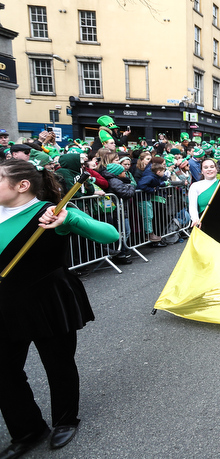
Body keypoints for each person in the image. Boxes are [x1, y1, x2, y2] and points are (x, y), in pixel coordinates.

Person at [0, 159, 119, 456]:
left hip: (48, 299)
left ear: (22, 186)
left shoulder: (52, 211)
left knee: (58, 364)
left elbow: (110, 235)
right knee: (3, 370)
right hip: (6, 302)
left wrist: (70, 220)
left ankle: (65, 420)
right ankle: (28, 429)